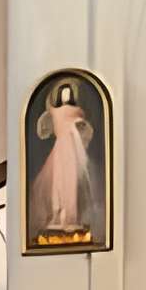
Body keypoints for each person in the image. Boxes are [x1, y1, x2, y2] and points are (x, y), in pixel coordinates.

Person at [31, 78, 100, 238]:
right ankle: (56, 215)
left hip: (72, 148)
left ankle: (69, 217)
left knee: (70, 182)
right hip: (60, 148)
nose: (66, 96)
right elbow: (48, 117)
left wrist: (78, 126)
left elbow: (83, 126)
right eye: (63, 93)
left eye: (68, 93)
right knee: (57, 182)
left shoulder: (77, 111)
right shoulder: (55, 111)